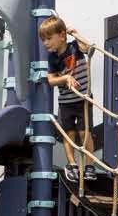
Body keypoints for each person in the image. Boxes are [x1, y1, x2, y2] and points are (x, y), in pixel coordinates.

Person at [37, 15, 95, 161]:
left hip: (83, 99)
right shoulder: (52, 58)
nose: (45, 43)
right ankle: (72, 163)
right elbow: (51, 80)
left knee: (84, 133)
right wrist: (65, 78)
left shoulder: (75, 47)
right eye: (43, 40)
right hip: (66, 102)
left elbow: (89, 49)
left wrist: (75, 34)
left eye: (49, 38)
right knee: (68, 133)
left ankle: (89, 164)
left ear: (62, 36)